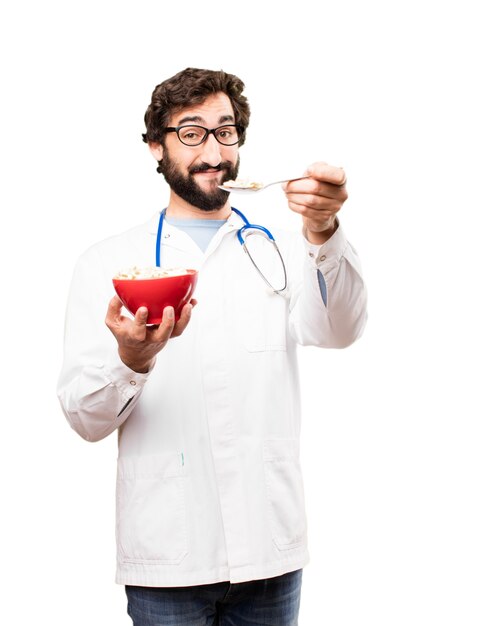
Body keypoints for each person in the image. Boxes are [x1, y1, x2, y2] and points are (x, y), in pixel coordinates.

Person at [57, 67, 367, 626]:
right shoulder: (107, 263)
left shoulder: (275, 248)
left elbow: (339, 329)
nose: (213, 150)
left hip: (270, 549)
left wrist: (322, 231)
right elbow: (83, 417)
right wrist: (132, 360)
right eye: (192, 132)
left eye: (226, 131)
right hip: (168, 557)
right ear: (157, 145)